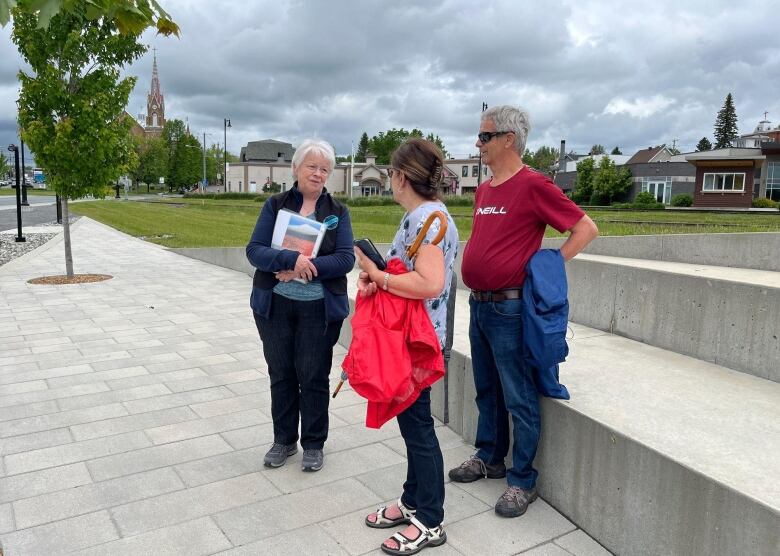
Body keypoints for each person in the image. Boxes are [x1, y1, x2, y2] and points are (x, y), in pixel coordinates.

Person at [449, 105, 598, 518]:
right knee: (486, 388)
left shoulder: (534, 185)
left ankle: (522, 480)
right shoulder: (485, 189)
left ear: (508, 139)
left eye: (483, 137)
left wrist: (548, 267)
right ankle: (490, 457)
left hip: (511, 309)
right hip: (479, 305)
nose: (477, 144)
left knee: (519, 395)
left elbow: (585, 227)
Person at [355, 138, 459, 555]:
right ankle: (413, 501)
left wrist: (377, 277)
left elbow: (429, 283)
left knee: (418, 430)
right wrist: (381, 275)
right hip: (417, 337)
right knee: (411, 423)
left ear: (400, 177)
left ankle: (430, 519)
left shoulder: (426, 220)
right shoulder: (428, 215)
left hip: (417, 342)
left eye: (390, 174)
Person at [246, 138, 354, 472]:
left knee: (313, 376)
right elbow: (255, 250)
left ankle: (314, 443)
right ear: (296, 169)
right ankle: (283, 441)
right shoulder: (275, 205)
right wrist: (290, 257)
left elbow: (346, 259)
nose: (318, 174)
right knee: (281, 373)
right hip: (275, 307)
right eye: (312, 166)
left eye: (325, 169)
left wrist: (306, 268)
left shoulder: (337, 212)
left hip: (317, 311)